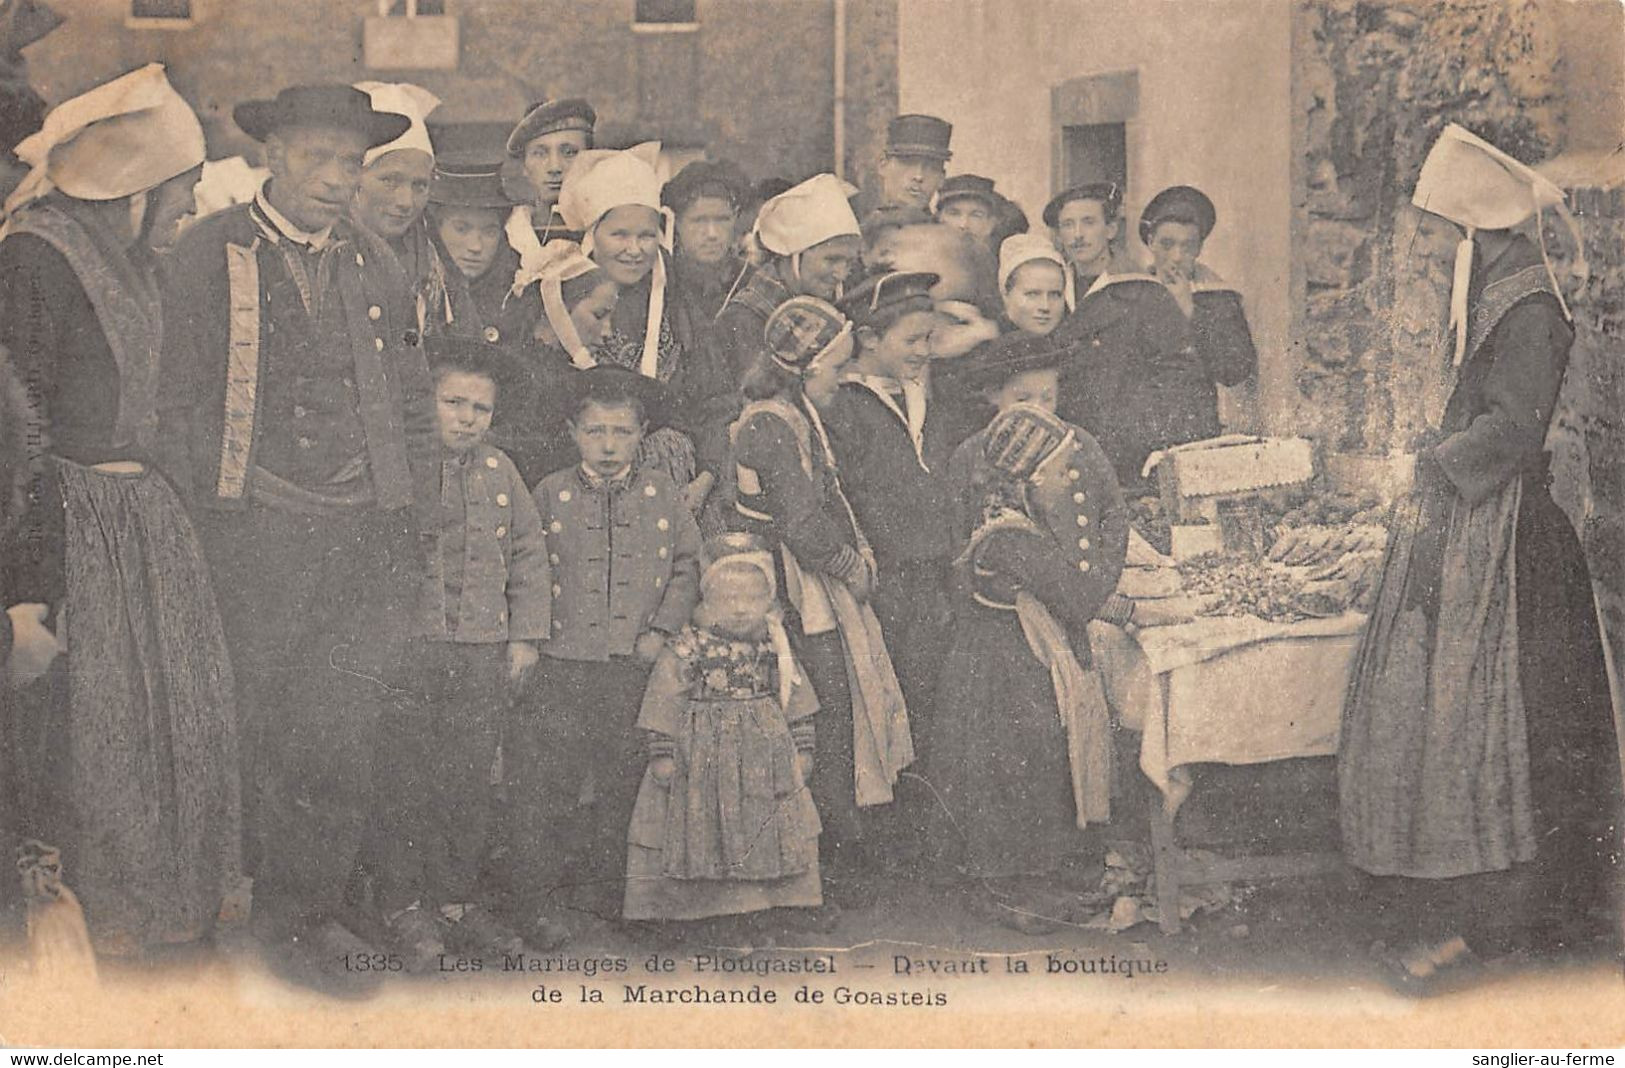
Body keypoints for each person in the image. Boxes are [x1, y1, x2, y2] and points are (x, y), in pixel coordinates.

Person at [156, 82, 437, 987]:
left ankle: (302, 917)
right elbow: (177, 403)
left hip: (358, 537)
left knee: (337, 725)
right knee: (240, 717)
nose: (335, 179)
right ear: (274, 157)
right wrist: (198, 517)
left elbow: (410, 404)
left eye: (350, 163)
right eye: (317, 159)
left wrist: (410, 516)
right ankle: (205, 907)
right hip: (247, 533)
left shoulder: (375, 264)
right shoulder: (208, 255)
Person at [1339, 124, 1622, 989]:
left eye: (1446, 234)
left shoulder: (1531, 310)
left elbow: (1510, 429)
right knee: (1454, 712)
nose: (1437, 250)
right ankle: (1466, 907)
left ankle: (1512, 921)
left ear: (1481, 233)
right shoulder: (1498, 292)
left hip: (1508, 540)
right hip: (1468, 520)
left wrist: (1424, 462)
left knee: (1505, 712)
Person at [0, 63, 242, 956]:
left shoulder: (127, 259)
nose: (185, 210)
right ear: (131, 190)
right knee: (80, 721)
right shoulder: (33, 257)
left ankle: (151, 905)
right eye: (177, 193)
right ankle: (83, 918)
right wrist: (30, 574)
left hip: (134, 517)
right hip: (68, 520)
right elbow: (17, 432)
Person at [725, 295, 912, 914]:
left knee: (832, 718)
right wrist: (852, 566)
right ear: (805, 370)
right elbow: (801, 521)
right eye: (834, 370)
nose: (841, 380)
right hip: (784, 594)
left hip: (807, 589)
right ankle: (807, 871)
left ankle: (827, 860)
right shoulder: (770, 422)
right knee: (815, 720)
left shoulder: (795, 413)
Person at [933, 336, 1127, 932]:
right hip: (1001, 641)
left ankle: (1049, 870)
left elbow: (1107, 522)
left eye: (1049, 395)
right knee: (1007, 761)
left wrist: (1090, 583)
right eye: (1024, 397)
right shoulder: (980, 465)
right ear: (992, 398)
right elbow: (960, 541)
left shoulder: (1075, 449)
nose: (1039, 409)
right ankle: (1007, 885)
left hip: (1043, 628)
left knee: (1046, 754)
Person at [368, 334, 549, 969]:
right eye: (454, 402)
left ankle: (456, 901)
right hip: (411, 653)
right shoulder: (402, 469)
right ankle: (402, 904)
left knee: (468, 778)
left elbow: (527, 554)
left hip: (480, 651)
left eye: (480, 409)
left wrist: (524, 636)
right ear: (427, 402)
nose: (467, 418)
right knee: (405, 777)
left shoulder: (503, 473)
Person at [503, 366, 702, 941]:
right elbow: (526, 566)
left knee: (625, 781)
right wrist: (535, 637)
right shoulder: (549, 493)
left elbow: (688, 566)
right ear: (572, 432)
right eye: (595, 432)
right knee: (548, 784)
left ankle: (621, 896)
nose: (609, 446)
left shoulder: (663, 495)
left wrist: (661, 631)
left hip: (632, 666)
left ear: (643, 433)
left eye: (621, 432)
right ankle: (537, 901)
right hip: (563, 663)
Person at [622, 532, 823, 938]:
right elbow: (663, 697)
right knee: (698, 829)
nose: (740, 608)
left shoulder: (775, 646)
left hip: (762, 763)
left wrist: (802, 745)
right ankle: (695, 913)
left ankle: (763, 905)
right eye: (728, 598)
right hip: (700, 762)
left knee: (763, 825)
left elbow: (795, 696)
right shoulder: (688, 647)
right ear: (707, 600)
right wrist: (662, 752)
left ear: (769, 601)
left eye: (752, 598)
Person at [825, 271, 955, 761]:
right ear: (869, 339)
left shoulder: (923, 396)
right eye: (913, 339)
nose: (924, 350)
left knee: (932, 694)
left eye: (930, 338)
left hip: (934, 571)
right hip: (888, 577)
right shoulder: (846, 405)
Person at [554, 141, 714, 506]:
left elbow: (714, 399)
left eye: (646, 236)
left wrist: (706, 478)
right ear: (593, 235)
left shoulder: (679, 295)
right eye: (619, 235)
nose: (635, 249)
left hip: (681, 487)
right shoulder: (564, 299)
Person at [1044, 183, 1204, 488]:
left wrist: (1142, 435)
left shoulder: (1143, 292)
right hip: (1060, 451)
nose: (1078, 234)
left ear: (1110, 229)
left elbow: (1178, 374)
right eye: (1068, 225)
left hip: (1122, 454)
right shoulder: (1049, 292)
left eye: (1089, 222)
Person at [704, 173, 863, 475]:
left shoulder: (829, 308)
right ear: (793, 255)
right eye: (831, 260)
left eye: (849, 262)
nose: (841, 273)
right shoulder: (745, 319)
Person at [491, 240, 619, 486]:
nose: (608, 332)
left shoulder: (569, 371)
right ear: (556, 306)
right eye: (599, 315)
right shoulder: (516, 369)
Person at [1137, 184, 1258, 441]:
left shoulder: (1218, 297)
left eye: (1188, 246)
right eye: (1167, 244)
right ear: (1150, 242)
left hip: (1195, 426)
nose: (1177, 256)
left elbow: (1235, 370)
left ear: (1200, 249)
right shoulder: (1132, 291)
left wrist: (1190, 312)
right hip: (1139, 426)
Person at [350, 81, 441, 331]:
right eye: (390, 180)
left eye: (420, 186)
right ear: (356, 177)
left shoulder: (434, 258)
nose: (405, 202)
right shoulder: (330, 254)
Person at [426, 160, 520, 339]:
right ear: (437, 228)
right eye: (461, 229)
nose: (476, 246)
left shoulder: (519, 292)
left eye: (490, 231)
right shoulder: (424, 292)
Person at [662, 158, 751, 323]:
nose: (712, 234)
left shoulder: (752, 282)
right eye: (698, 220)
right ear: (677, 224)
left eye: (722, 219)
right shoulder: (662, 283)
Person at [504, 97, 594, 253]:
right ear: (524, 166)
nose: (554, 167)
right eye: (540, 153)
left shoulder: (608, 232)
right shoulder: (507, 234)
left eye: (569, 152)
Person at [851, 114, 953, 217]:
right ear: (882, 165)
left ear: (942, 179)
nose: (918, 176)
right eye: (908, 162)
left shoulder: (944, 231)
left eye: (931, 167)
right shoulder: (846, 219)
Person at [934, 173, 1000, 251]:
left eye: (976, 215)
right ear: (939, 218)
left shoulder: (1002, 262)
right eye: (954, 214)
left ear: (990, 224)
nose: (964, 225)